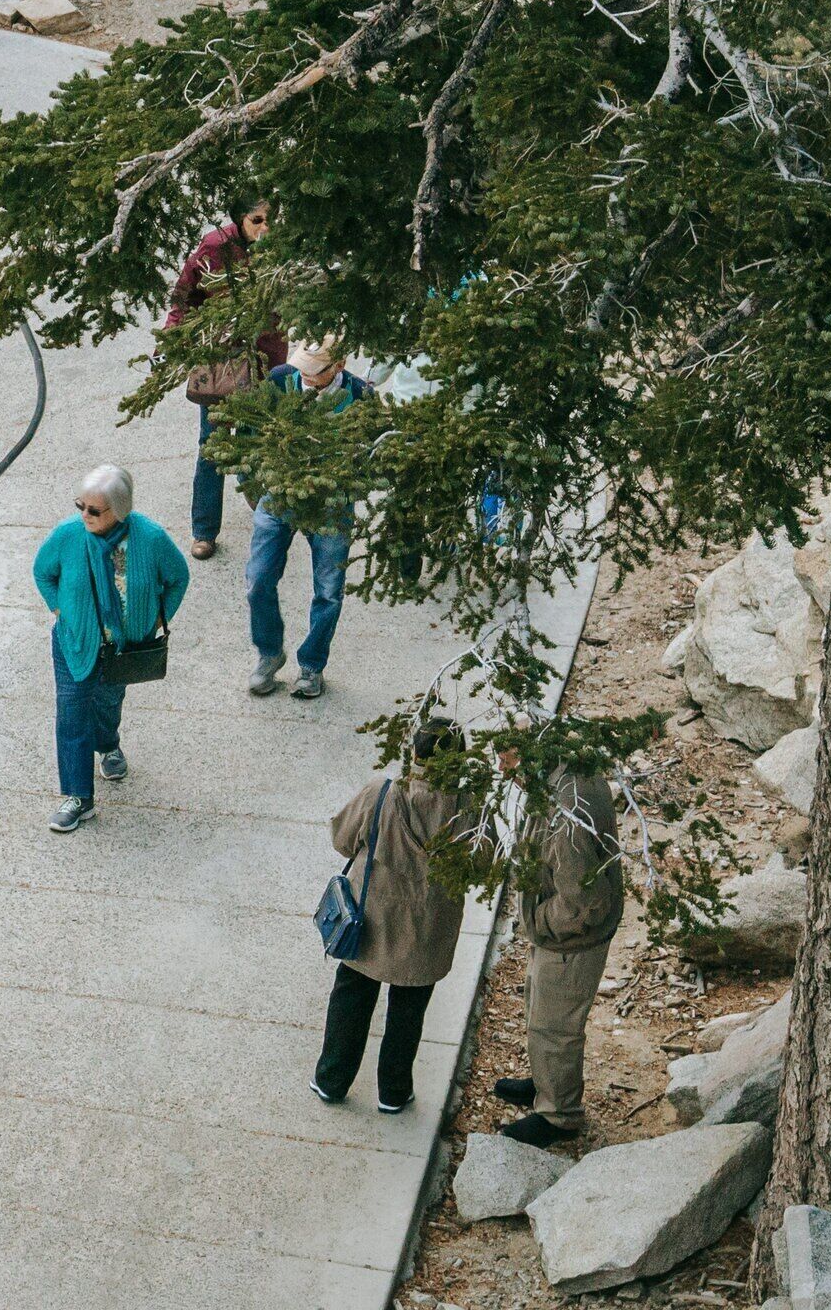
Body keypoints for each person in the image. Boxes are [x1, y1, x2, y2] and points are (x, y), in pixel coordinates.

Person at [315, 722, 477, 1113]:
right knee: (409, 1012)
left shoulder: (382, 792)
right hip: (427, 929)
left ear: (415, 754)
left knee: (351, 998)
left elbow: (342, 839)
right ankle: (393, 1091)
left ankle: (332, 1080)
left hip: (369, 920)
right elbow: (478, 865)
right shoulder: (468, 806)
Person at [30, 464, 189, 835]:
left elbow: (178, 577)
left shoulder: (150, 538)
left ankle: (108, 745)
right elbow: (42, 572)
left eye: (93, 510)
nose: (84, 515)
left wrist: (158, 618)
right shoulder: (68, 535)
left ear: (119, 510)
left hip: (124, 647)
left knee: (108, 701)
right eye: (80, 506)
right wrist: (59, 609)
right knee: (71, 714)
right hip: (75, 641)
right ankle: (78, 798)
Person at [491, 763, 623, 1147]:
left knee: (555, 1027)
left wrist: (540, 920)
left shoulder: (566, 815)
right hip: (560, 936)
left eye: (508, 757)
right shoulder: (562, 771)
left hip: (571, 940)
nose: (502, 767)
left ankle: (559, 1114)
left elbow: (586, 902)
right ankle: (545, 1082)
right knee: (539, 1008)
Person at [245, 336, 374, 700]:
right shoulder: (280, 380)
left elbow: (374, 450)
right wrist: (255, 480)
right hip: (280, 494)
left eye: (315, 371)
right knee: (257, 580)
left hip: (332, 502)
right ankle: (269, 653)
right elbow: (252, 429)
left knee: (329, 591)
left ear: (339, 365)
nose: (306, 375)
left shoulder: (360, 395)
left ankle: (312, 665)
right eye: (303, 366)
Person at [168, 198, 286, 560]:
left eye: (270, 219)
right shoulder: (215, 246)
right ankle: (204, 530)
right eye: (257, 219)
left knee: (259, 435)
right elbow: (184, 294)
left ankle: (262, 505)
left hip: (266, 358)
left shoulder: (279, 248)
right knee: (213, 444)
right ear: (241, 218)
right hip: (223, 361)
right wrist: (174, 336)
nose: (265, 227)